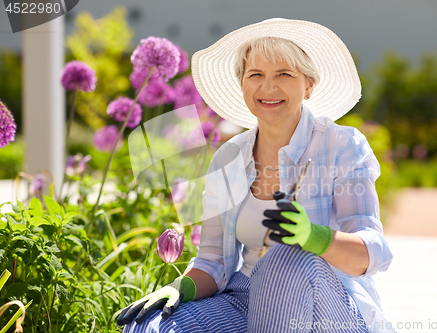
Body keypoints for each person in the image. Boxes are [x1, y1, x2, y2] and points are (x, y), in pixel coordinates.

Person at [118, 18, 394, 333]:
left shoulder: (342, 145)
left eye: (284, 74)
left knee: (283, 259)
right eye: (256, 75)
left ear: (308, 85)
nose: (268, 87)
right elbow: (213, 262)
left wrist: (312, 236)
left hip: (330, 308)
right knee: (152, 326)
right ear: (243, 84)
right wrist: (181, 288)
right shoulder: (228, 158)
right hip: (246, 297)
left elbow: (376, 253)